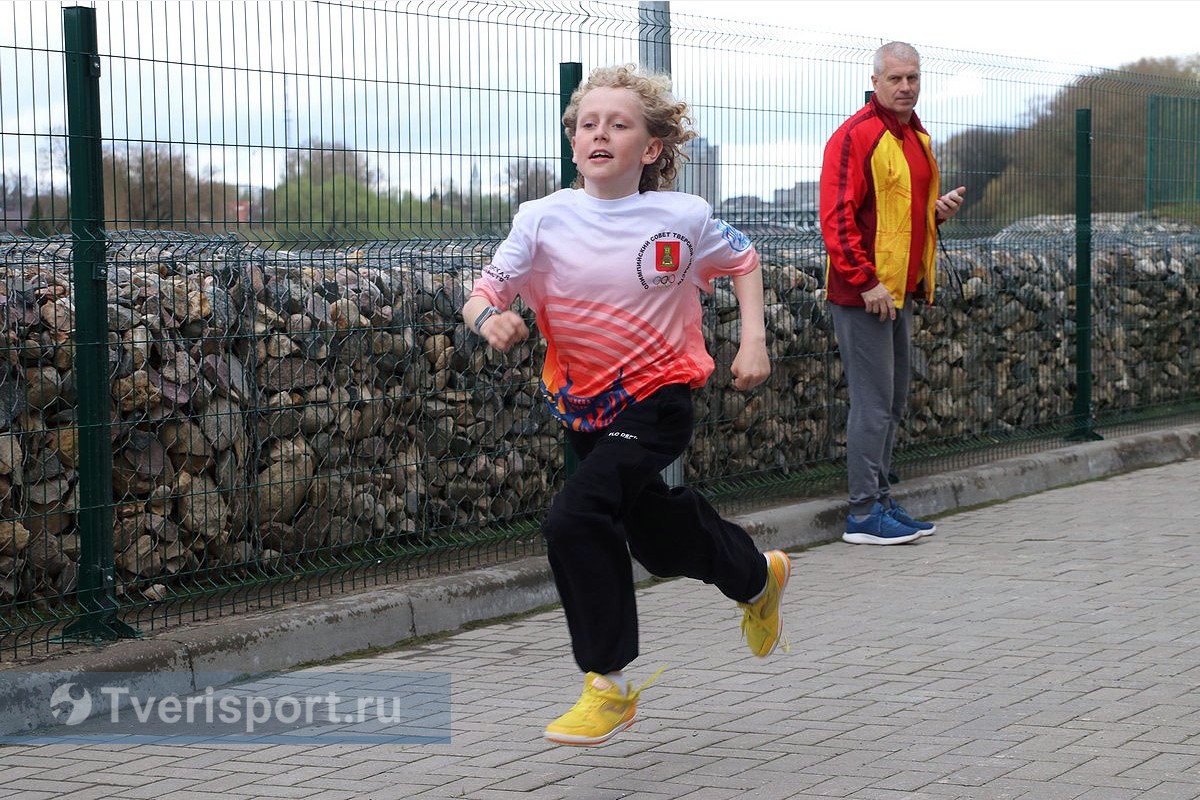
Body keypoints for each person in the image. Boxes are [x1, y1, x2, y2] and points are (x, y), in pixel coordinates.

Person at [462, 64, 790, 746]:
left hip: (659, 398)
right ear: (573, 142)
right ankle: (757, 577)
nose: (599, 134)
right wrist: (488, 319)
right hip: (586, 407)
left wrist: (754, 341)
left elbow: (745, 259)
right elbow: (483, 292)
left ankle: (606, 684)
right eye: (587, 124)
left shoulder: (682, 217)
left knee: (575, 517)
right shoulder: (541, 219)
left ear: (650, 147)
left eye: (618, 124)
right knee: (659, 540)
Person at [819, 41, 966, 546]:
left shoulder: (914, 135)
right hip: (866, 294)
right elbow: (837, 219)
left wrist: (935, 214)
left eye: (913, 77)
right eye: (896, 78)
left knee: (893, 401)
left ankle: (881, 500)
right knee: (874, 403)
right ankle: (863, 514)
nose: (905, 86)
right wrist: (866, 281)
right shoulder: (856, 136)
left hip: (899, 290)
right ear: (876, 81)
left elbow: (896, 214)